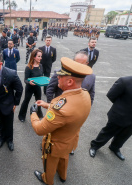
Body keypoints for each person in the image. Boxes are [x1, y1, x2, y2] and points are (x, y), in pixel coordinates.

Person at [31, 57, 93, 185]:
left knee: (49, 164)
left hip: (55, 145)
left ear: (70, 81)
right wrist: (47, 105)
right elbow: (70, 113)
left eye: (60, 77)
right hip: (70, 139)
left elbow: (39, 129)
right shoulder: (85, 94)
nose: (57, 78)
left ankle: (47, 180)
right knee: (64, 159)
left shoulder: (60, 108)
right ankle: (63, 176)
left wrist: (33, 114)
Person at [89, 76, 132, 161]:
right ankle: (95, 146)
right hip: (120, 115)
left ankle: (115, 147)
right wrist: (120, 107)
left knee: (124, 136)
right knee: (108, 132)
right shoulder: (125, 81)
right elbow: (111, 95)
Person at [18, 49, 43, 122]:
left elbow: (41, 76)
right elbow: (25, 80)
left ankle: (39, 115)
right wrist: (29, 82)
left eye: (41, 56)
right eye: (39, 56)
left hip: (37, 87)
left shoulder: (40, 66)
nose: (40, 58)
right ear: (34, 57)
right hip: (30, 87)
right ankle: (21, 116)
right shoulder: (28, 67)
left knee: (38, 101)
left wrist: (47, 80)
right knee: (26, 101)